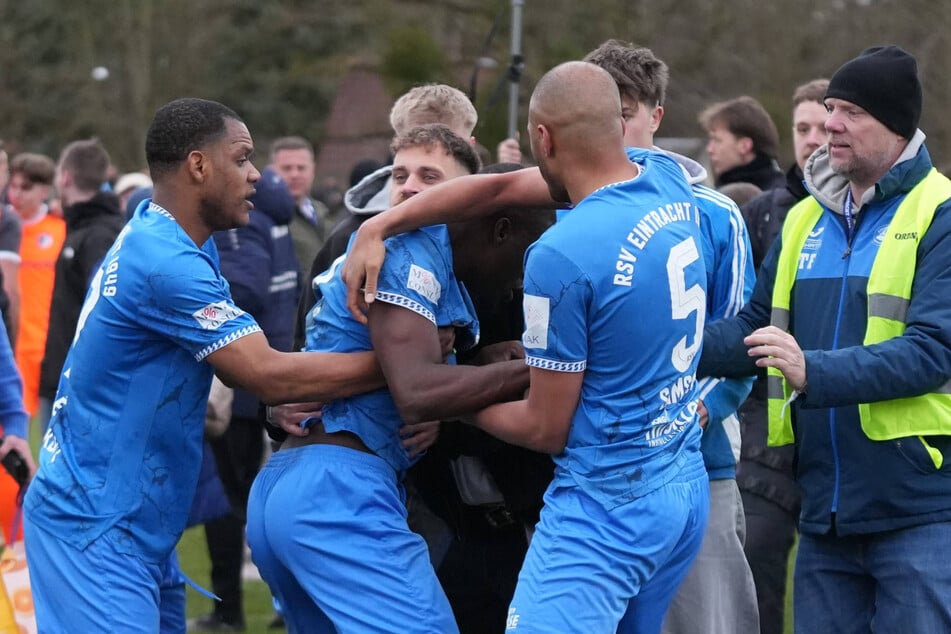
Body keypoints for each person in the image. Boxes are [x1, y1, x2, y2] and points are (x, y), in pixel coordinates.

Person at [342, 61, 710, 633]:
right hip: (681, 477)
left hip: (607, 498)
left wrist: (453, 393)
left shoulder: (561, 255)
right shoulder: (663, 176)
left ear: (542, 138)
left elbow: (545, 427)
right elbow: (496, 185)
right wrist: (378, 227)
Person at [22, 97, 385, 634]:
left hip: (135, 528)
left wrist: (277, 398)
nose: (256, 174)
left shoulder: (166, 233)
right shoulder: (166, 261)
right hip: (92, 529)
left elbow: (242, 364)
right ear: (198, 165)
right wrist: (403, 366)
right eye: (242, 158)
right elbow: (263, 371)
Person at [245, 124, 543, 633]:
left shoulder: (435, 266)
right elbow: (417, 391)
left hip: (306, 488)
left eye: (430, 175)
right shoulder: (409, 250)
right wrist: (539, 371)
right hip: (338, 494)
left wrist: (480, 364)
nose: (521, 281)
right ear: (500, 229)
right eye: (402, 173)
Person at [698, 45, 951, 633]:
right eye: (830, 107)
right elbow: (751, 331)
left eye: (851, 112)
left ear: (896, 126)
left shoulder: (941, 213)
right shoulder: (803, 219)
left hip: (917, 511)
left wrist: (812, 371)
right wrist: (663, 342)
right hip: (822, 517)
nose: (830, 123)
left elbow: (934, 350)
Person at [581, 39, 759, 634]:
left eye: (625, 113)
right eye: (602, 115)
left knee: (703, 623)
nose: (614, 128)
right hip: (585, 474)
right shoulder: (563, 217)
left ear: (655, 116)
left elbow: (742, 335)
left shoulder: (716, 214)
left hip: (696, 463)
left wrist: (692, 414)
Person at [187, 166, 299, 632]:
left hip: (246, 384)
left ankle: (230, 610)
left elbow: (247, 288)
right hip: (271, 376)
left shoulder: (240, 227)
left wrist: (191, 298)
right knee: (271, 497)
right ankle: (284, 609)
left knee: (232, 503)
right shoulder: (276, 221)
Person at [735, 78, 828, 634]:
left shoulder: (881, 216)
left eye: (823, 126)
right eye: (802, 128)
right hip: (763, 427)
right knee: (757, 562)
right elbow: (734, 320)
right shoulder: (763, 215)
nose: (814, 139)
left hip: (846, 421)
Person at [291, 83, 480, 351]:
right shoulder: (350, 237)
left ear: (470, 150)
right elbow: (307, 340)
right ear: (400, 147)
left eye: (450, 146)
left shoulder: (486, 231)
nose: (434, 149)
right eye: (420, 141)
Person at [38, 139, 126, 432]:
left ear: (65, 178)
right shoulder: (85, 229)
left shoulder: (99, 235)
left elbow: (105, 314)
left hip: (78, 390)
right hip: (70, 382)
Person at [6, 152, 63, 418]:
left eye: (25, 187)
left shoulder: (59, 229)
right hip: (10, 341)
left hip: (47, 348)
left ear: (44, 190)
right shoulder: (5, 229)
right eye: (13, 186)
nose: (16, 194)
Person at [269, 136, 340, 279]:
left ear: (312, 170)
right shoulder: (266, 219)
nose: (295, 174)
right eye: (286, 168)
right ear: (271, 171)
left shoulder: (323, 213)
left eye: (301, 168)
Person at [699, 96, 785, 191]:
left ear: (744, 146)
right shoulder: (718, 192)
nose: (710, 149)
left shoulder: (779, 199)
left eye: (717, 140)